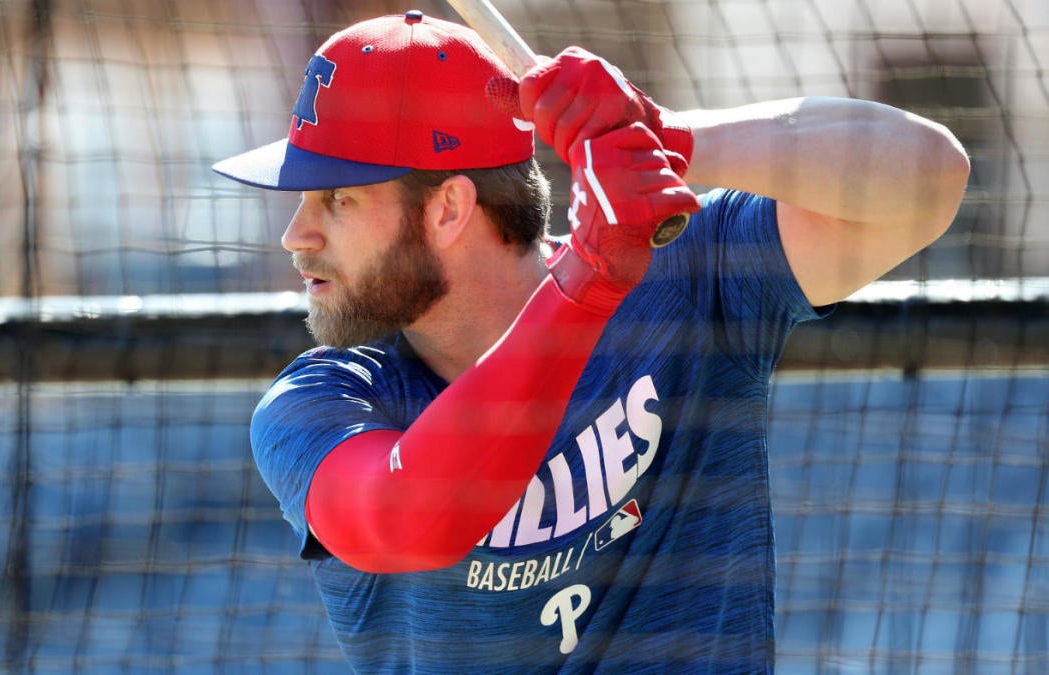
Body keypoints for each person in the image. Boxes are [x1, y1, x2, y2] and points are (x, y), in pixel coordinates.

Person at [214, 10, 969, 673]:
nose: (296, 235)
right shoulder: (319, 400)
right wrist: (588, 280)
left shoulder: (686, 270)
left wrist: (667, 136)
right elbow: (413, 518)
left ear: (449, 209)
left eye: (336, 199)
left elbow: (932, 178)